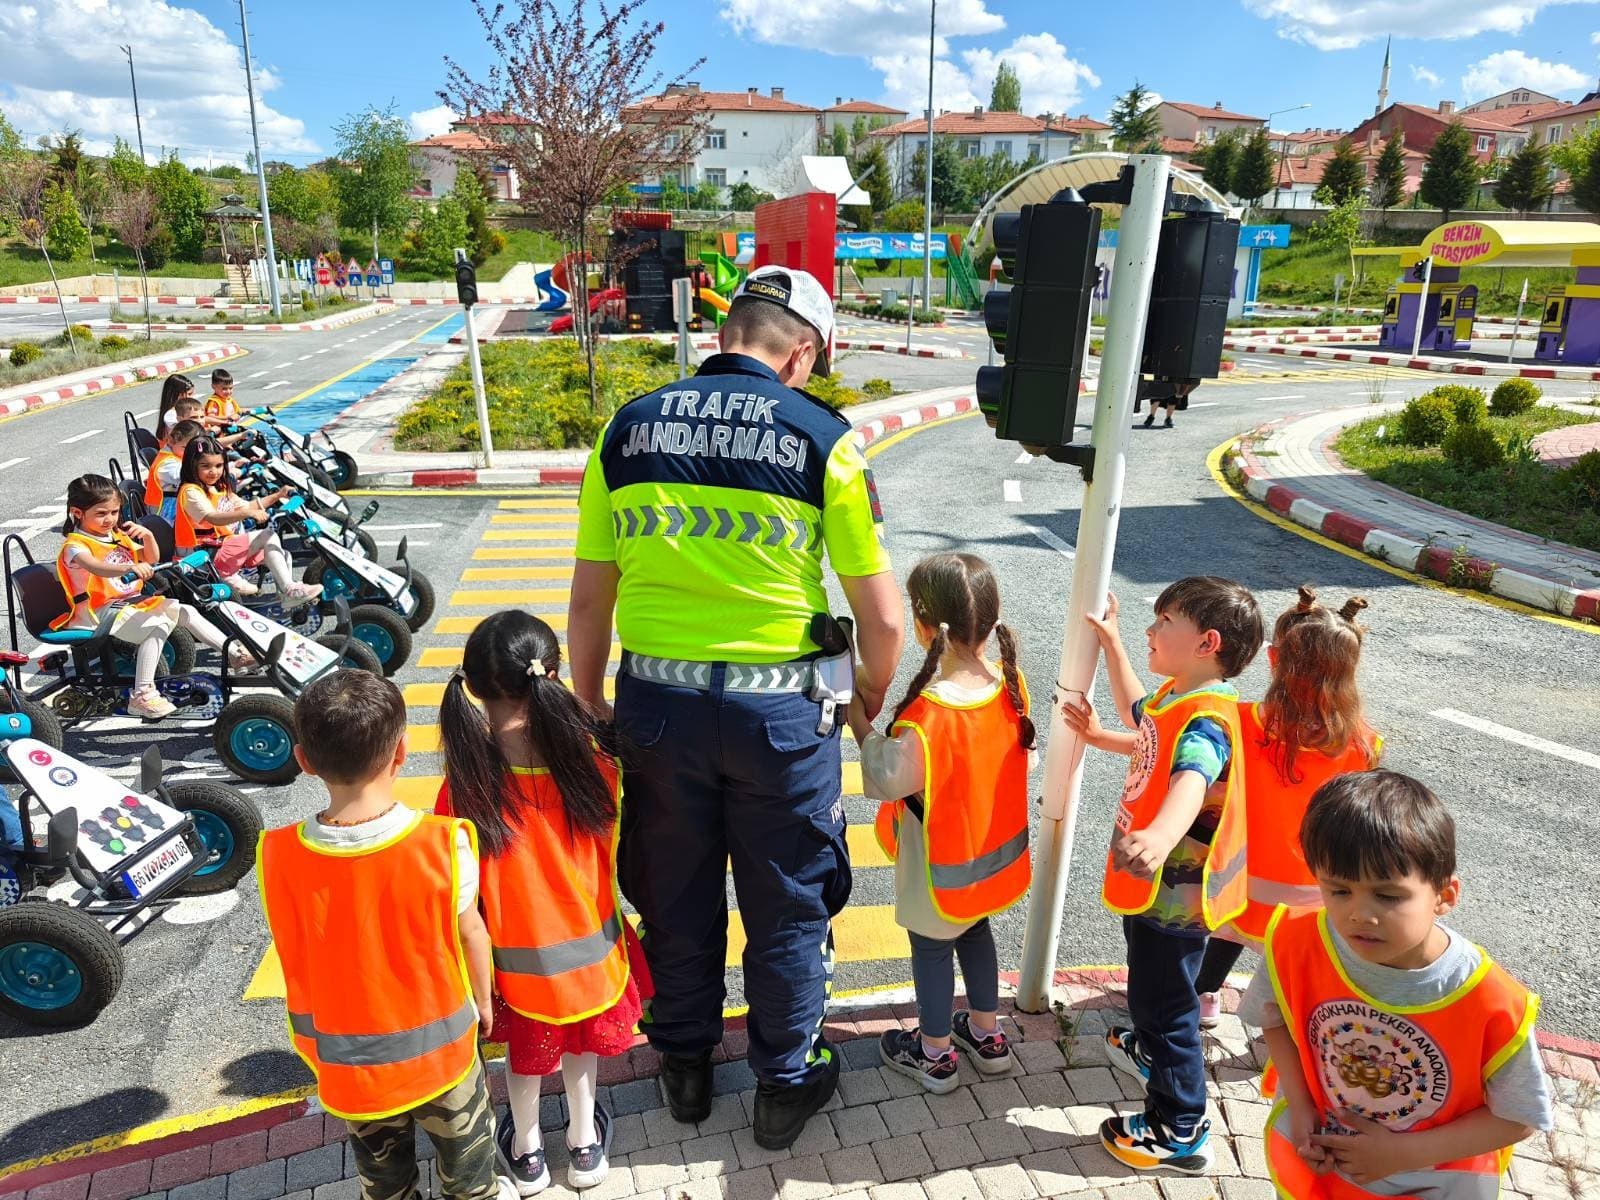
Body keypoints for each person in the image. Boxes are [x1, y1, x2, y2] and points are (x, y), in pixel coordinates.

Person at [568, 265, 904, 1150]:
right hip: (780, 719)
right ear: (801, 354)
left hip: (657, 708)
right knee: (788, 902)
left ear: (726, 336)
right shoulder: (825, 439)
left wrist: (591, 701)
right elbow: (883, 619)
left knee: (673, 891)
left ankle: (684, 1067)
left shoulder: (627, 430)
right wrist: (866, 696)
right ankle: (784, 1084)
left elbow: (591, 596)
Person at [257, 671, 513, 1200]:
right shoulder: (441, 844)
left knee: (386, 1183)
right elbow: (472, 933)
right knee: (470, 1175)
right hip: (442, 1056)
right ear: (401, 751)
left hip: (352, 1065)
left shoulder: (279, 854)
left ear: (304, 760)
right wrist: (484, 1004)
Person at [1242, 771, 1551, 1198]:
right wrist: (1301, 1105)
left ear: (1445, 895)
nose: (1359, 914)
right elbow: (1272, 1016)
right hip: (1321, 1171)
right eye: (1338, 891)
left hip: (1430, 1182)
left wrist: (1401, 1154)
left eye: (1387, 896)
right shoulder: (1297, 941)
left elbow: (1519, 1117)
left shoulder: (1490, 999)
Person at [434, 611, 645, 1195]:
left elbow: (452, 884)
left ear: (472, 688)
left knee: (524, 1060)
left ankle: (526, 1151)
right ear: (551, 675)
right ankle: (584, 1142)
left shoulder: (468, 781)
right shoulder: (596, 762)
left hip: (513, 965)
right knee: (581, 1050)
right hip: (593, 953)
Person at [1061, 577, 1263, 1175]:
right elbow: (1143, 718)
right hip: (1155, 887)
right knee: (1151, 986)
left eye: (1164, 622)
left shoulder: (1208, 718)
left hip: (1175, 892)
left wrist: (1160, 835)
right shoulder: (1180, 695)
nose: (1152, 630)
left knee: (1167, 1004)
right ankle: (1152, 1051)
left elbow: (1191, 778)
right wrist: (1114, 645)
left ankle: (1179, 1126)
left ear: (1207, 642)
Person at [852, 553, 1032, 1094]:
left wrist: (858, 724)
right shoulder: (1009, 684)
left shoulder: (931, 714)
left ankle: (933, 1054)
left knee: (931, 949)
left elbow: (890, 778)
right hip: (987, 855)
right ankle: (986, 1034)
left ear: (924, 625)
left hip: (938, 861)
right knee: (976, 932)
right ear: (991, 622)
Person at [1192, 586, 1382, 1028]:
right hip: (1314, 887)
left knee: (1226, 934)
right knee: (1297, 954)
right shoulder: (1364, 744)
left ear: (1274, 659)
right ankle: (1293, 1022)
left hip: (1238, 873)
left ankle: (1203, 994)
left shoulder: (1239, 722)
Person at [54, 474, 245, 719]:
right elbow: (96, 567)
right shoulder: (75, 545)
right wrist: (130, 568)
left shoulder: (115, 535)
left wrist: (148, 536)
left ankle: (236, 656)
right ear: (77, 513)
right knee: (156, 626)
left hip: (126, 605)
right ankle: (142, 695)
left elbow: (151, 559)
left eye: (114, 512)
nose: (109, 519)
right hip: (95, 613)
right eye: (101, 514)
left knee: (186, 611)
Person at [175, 436, 319, 605]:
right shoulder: (190, 492)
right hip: (205, 555)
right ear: (192, 466)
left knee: (282, 554)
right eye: (205, 466)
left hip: (223, 548)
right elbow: (213, 518)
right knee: (268, 535)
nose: (214, 471)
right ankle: (290, 590)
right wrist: (248, 514)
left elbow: (249, 505)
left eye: (219, 466)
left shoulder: (218, 489)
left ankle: (288, 598)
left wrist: (278, 495)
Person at [145, 419, 205, 522]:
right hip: (163, 511)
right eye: (186, 448)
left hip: (172, 502)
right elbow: (186, 476)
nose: (191, 452)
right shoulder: (166, 464)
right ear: (171, 441)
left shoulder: (178, 454)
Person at [153, 373, 195, 437]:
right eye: (189, 394)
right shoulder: (171, 415)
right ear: (178, 395)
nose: (192, 397)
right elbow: (186, 432)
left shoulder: (181, 410)